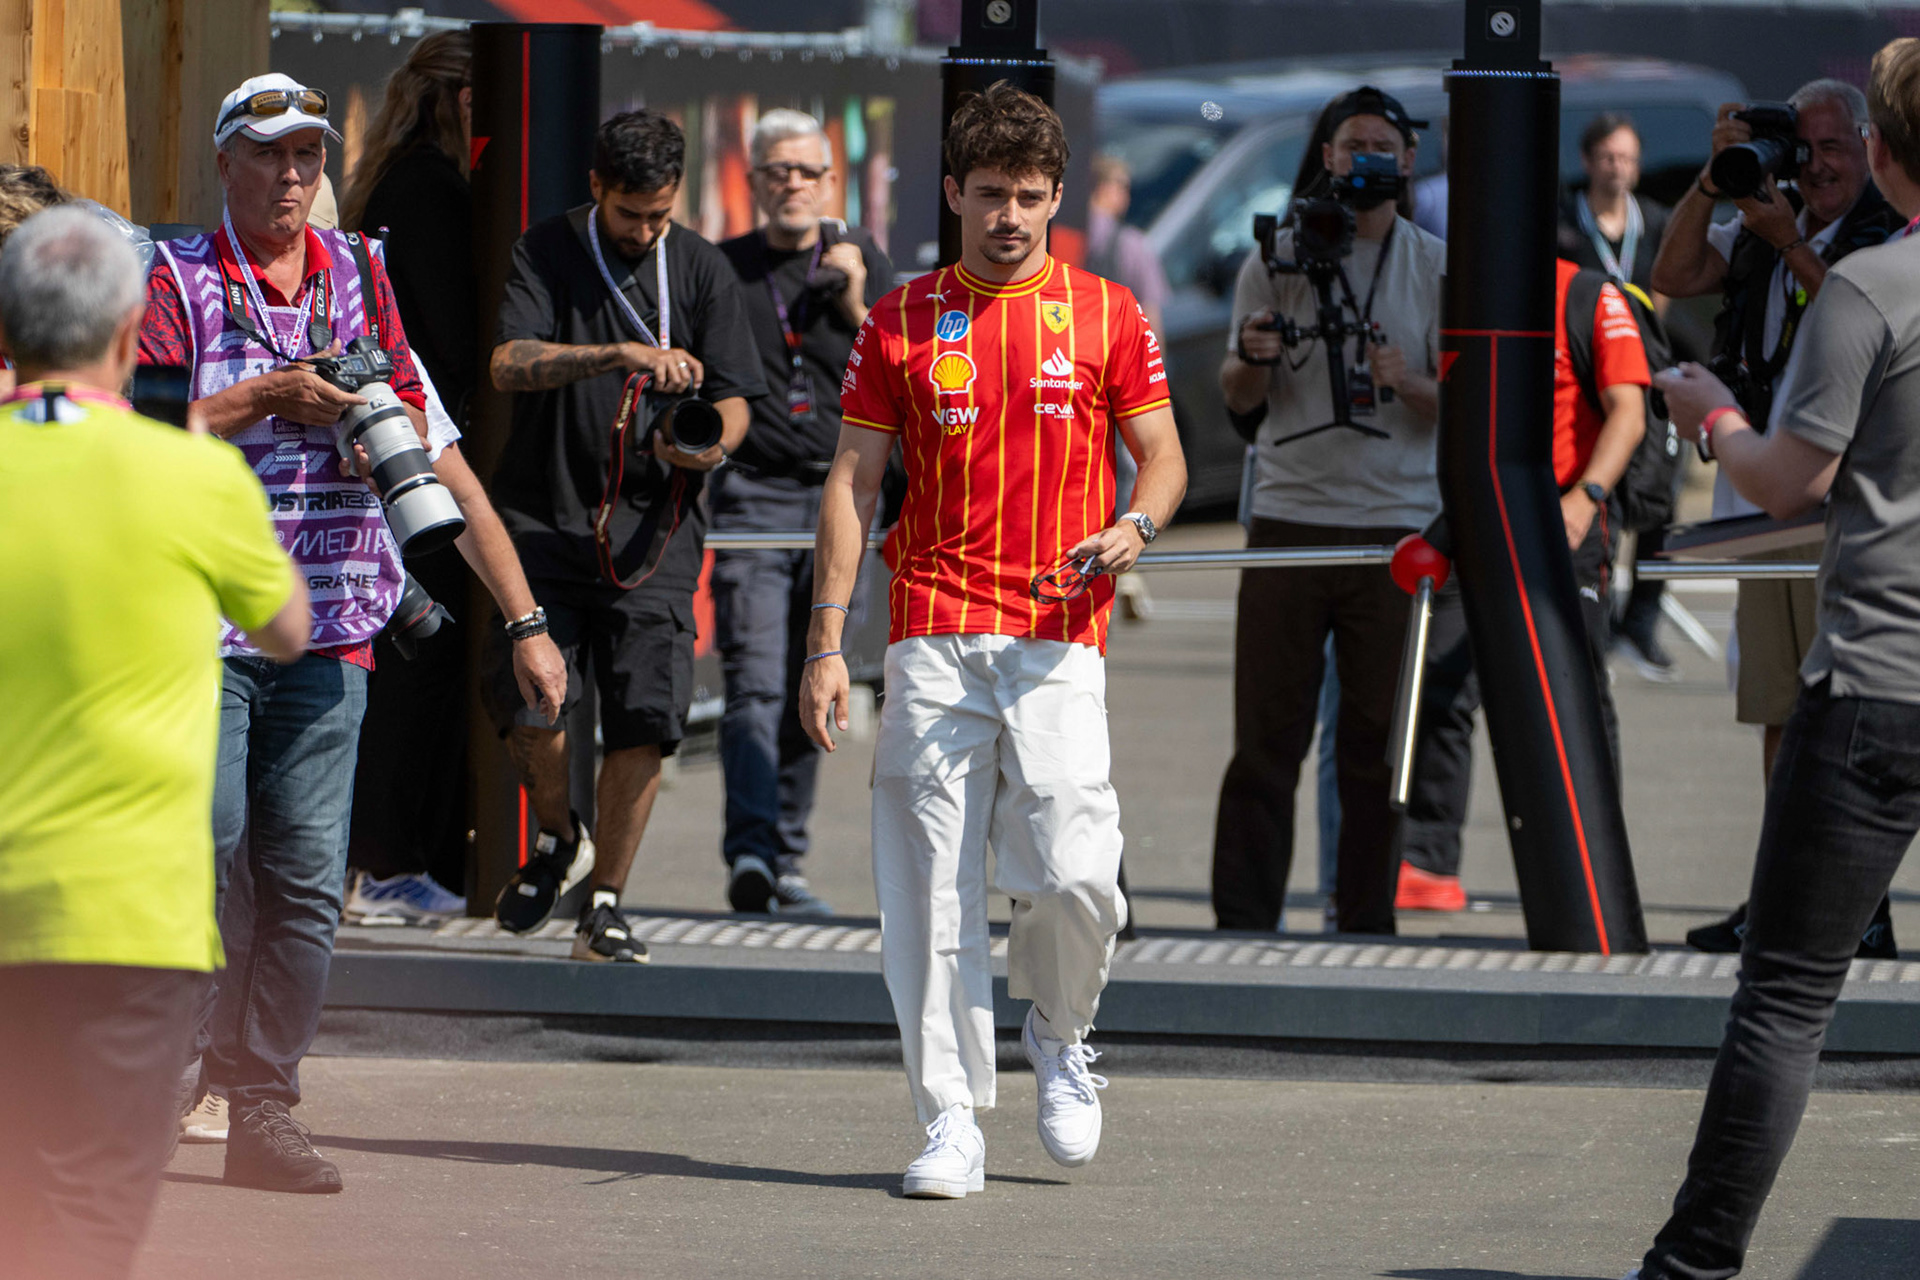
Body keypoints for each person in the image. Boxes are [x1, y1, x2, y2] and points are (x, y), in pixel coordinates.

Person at [137, 74, 566, 1191]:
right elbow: (124, 441)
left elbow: (447, 466)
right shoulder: (174, 281)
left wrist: (525, 618)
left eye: (309, 154)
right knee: (203, 855)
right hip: (202, 635)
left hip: (334, 635)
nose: (293, 173)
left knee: (306, 882)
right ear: (226, 162)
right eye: (271, 152)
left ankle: (262, 1106)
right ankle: (162, 1080)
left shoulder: (362, 278)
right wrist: (257, 400)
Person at [801, 81, 1185, 1197]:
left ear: (1057, 195)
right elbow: (853, 478)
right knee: (927, 884)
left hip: (1063, 629)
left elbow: (1163, 454)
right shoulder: (901, 318)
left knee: (1074, 868)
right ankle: (949, 1119)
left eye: (1028, 195)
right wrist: (829, 639)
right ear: (956, 194)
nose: (1008, 215)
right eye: (988, 195)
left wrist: (1136, 523)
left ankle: (1059, 1032)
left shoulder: (1109, 311)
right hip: (930, 627)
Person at [1628, 41, 1920, 1280]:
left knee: (1787, 999)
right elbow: (1686, 260)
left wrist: (1714, 413)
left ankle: (1693, 1265)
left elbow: (1787, 480)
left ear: (1889, 155)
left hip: (1881, 678)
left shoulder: (1870, 292)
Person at [0, 207, 308, 1279]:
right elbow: (289, 629)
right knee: (86, 1216)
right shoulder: (193, 477)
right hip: (133, 916)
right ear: (136, 331)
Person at [486, 109, 766, 959]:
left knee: (645, 718)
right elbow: (507, 364)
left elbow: (736, 399)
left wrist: (707, 445)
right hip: (544, 516)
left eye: (660, 214)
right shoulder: (548, 249)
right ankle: (556, 834)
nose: (647, 230)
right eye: (630, 213)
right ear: (597, 187)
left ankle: (605, 900)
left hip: (659, 530)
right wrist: (616, 356)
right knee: (535, 703)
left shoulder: (703, 267)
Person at [1649, 78, 1900, 958]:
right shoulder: (1762, 214)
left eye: (1835, 146)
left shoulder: (1880, 239)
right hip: (1761, 501)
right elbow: (1671, 277)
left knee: (1842, 710)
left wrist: (1793, 244)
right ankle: (1783, 898)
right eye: (1806, 146)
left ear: (1871, 148)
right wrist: (1715, 180)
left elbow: (1861, 318)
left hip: (1843, 503)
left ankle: (1855, 909)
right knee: (1777, 709)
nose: (1818, 164)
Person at [1212, 85, 1446, 935]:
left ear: (1410, 158)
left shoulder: (1436, 264)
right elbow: (1238, 399)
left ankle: (1365, 921)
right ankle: (1242, 924)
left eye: (1384, 145)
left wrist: (1408, 382)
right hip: (1289, 519)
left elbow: (1468, 405)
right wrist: (1251, 355)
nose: (1367, 160)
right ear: (1327, 156)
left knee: (1379, 746)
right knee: (1266, 741)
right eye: (1351, 145)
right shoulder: (1274, 256)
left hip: (1395, 531)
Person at [708, 110, 893, 916]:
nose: (791, 185)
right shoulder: (723, 269)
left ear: (830, 183)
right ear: (753, 182)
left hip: (840, 498)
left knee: (814, 678)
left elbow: (906, 372)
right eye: (777, 171)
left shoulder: (863, 263)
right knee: (752, 681)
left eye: (806, 173)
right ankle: (751, 853)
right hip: (753, 492)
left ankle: (785, 858)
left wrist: (855, 302)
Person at [338, 29, 478, 922]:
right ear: (459, 99)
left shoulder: (390, 180)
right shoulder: (429, 186)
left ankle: (381, 857)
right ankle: (386, 859)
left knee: (403, 661)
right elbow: (452, 338)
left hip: (396, 442)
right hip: (417, 450)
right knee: (418, 666)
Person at [1558, 113, 1681, 682]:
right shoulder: (1564, 220)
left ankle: (1643, 623)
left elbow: (1667, 289)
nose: (1619, 168)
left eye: (1628, 158)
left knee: (1660, 497)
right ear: (1588, 161)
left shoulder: (1654, 220)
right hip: (1585, 374)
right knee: (1599, 494)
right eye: (1609, 157)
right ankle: (1594, 624)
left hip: (1643, 366)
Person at [1085, 152, 1171, 622]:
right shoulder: (1132, 243)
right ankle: (1126, 563)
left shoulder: (1065, 236)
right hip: (1122, 381)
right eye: (1123, 185)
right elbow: (1151, 323)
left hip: (1065, 381)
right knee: (1127, 468)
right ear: (1109, 187)